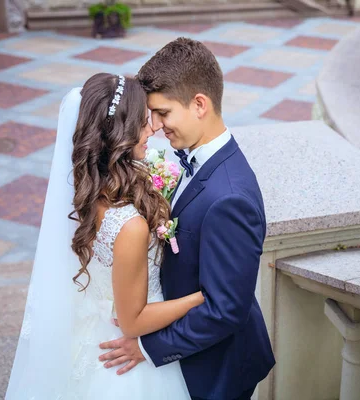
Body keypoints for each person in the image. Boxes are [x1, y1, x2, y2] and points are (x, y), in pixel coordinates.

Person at [98, 38, 276, 400]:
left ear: (199, 104)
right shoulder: (191, 160)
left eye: (163, 113)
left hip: (216, 370)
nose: (157, 126)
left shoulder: (230, 198)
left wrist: (148, 348)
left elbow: (224, 311)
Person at [5, 73, 200, 399]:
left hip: (93, 330)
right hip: (127, 361)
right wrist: (201, 297)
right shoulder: (130, 225)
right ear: (119, 133)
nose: (152, 128)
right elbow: (133, 322)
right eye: (142, 121)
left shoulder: (90, 191)